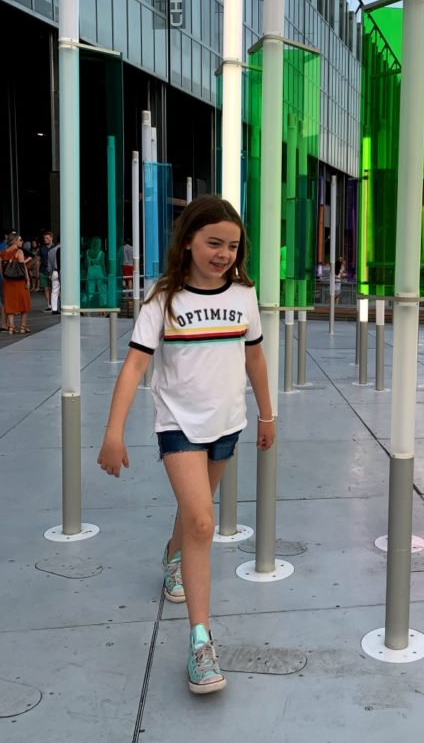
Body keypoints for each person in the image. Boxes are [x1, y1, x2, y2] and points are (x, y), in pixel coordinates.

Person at [97, 195, 274, 695]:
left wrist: (267, 413)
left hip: (227, 424)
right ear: (189, 241)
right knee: (202, 519)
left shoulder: (243, 294)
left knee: (194, 510)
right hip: (176, 425)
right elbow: (135, 365)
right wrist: (113, 431)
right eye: (214, 242)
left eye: (232, 246)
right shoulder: (163, 297)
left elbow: (254, 359)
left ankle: (174, 558)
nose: (223, 254)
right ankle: (201, 643)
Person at [1, 232, 32, 333]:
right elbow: (23, 268)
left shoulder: (3, 252)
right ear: (15, 241)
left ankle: (11, 327)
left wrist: (5, 277)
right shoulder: (19, 252)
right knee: (24, 302)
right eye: (20, 240)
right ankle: (22, 327)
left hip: (7, 281)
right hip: (19, 281)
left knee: (10, 303)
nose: (22, 242)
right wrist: (27, 280)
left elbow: (1, 270)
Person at [39, 231, 54, 310]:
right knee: (45, 288)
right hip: (43, 270)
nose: (45, 239)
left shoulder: (55, 247)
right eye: (44, 238)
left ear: (51, 238)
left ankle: (54, 304)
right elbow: (39, 259)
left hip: (53, 271)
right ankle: (49, 305)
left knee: (53, 288)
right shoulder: (42, 248)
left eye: (47, 238)